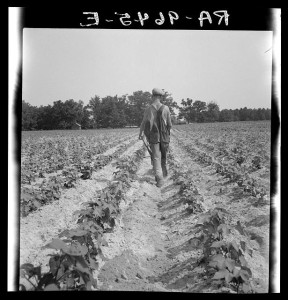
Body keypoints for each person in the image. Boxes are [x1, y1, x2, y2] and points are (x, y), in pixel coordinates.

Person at [139, 88, 172, 187]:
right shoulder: (166, 108)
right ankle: (164, 172)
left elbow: (144, 123)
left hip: (154, 137)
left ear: (152, 97)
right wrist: (168, 133)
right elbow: (169, 124)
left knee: (156, 157)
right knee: (164, 155)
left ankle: (160, 179)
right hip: (164, 136)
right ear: (160, 97)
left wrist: (141, 133)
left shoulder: (148, 109)